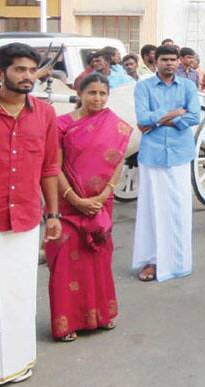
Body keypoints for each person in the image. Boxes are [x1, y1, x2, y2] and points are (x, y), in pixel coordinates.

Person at [0, 42, 61, 387]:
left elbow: (49, 167)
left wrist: (53, 214)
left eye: (32, 70)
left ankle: (16, 364)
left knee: (18, 295)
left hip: (26, 217)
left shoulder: (44, 114)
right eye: (20, 70)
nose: (28, 77)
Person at [44, 74, 131, 342]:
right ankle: (67, 322)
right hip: (68, 203)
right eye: (91, 93)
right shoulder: (60, 126)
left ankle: (102, 316)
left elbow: (117, 163)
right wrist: (75, 199)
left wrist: (105, 193)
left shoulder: (115, 126)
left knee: (99, 258)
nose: (97, 99)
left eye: (102, 94)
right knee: (66, 261)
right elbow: (54, 167)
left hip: (99, 203)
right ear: (78, 92)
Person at [132, 45, 200, 282]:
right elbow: (142, 119)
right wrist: (173, 113)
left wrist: (158, 120)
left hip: (180, 156)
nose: (169, 63)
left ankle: (179, 261)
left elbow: (194, 117)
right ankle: (153, 260)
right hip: (153, 157)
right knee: (152, 211)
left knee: (179, 210)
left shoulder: (189, 86)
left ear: (179, 61)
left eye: (173, 59)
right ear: (155, 61)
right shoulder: (143, 87)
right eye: (164, 59)